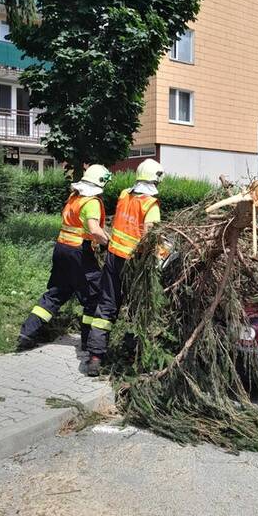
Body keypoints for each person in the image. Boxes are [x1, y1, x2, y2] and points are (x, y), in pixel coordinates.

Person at [16, 164, 112, 352]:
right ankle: (87, 342)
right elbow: (93, 230)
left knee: (56, 293)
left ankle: (27, 334)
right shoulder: (91, 201)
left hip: (61, 249)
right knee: (93, 295)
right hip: (79, 253)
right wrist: (108, 242)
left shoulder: (74, 197)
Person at [85, 159, 164, 376]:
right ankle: (130, 353)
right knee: (136, 308)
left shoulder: (123, 194)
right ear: (156, 179)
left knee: (107, 304)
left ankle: (95, 356)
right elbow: (150, 237)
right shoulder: (151, 205)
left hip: (113, 256)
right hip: (135, 264)